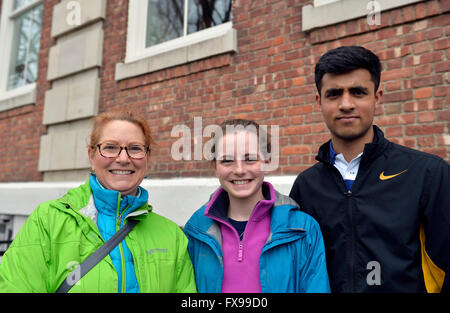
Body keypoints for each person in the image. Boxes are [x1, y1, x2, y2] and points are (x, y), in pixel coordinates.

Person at [289, 45, 450, 293]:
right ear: (319, 101)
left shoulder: (429, 174)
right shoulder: (305, 186)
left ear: (377, 97)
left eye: (358, 92)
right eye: (334, 94)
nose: (346, 104)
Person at [0, 110, 196, 293]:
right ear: (92, 156)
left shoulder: (172, 236)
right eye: (110, 147)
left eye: (135, 148)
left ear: (147, 157)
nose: (123, 158)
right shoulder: (47, 221)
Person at [184, 119, 330, 293]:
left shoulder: (303, 229)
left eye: (250, 159)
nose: (239, 170)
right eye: (227, 160)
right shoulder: (196, 229)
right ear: (214, 167)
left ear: (267, 161)